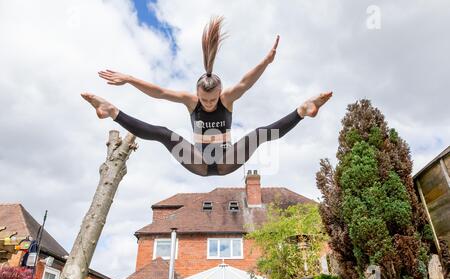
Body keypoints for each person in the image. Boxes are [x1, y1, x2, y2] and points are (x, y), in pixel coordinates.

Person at [81, 16, 332, 176]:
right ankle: (111, 111)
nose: (209, 104)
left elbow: (246, 82)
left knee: (259, 135)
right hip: (197, 162)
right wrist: (130, 78)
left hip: (227, 161)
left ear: (220, 93)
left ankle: (303, 110)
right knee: (162, 133)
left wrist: (266, 61)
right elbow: (159, 92)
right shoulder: (191, 101)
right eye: (205, 100)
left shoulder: (228, 98)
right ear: (198, 93)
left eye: (213, 100)